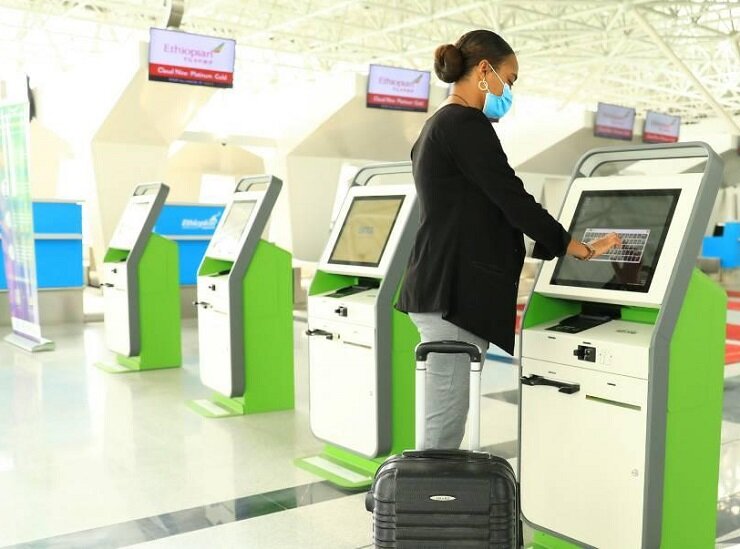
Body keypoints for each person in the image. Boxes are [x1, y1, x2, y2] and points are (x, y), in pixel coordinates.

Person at [396, 30, 621, 450]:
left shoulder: (435, 127)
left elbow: (479, 214)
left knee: (442, 417)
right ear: (484, 71)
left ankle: (432, 486)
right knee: (444, 427)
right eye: (509, 79)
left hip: (441, 287)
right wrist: (577, 248)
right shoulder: (465, 123)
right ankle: (431, 491)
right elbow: (511, 197)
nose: (509, 91)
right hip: (454, 295)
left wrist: (541, 246)